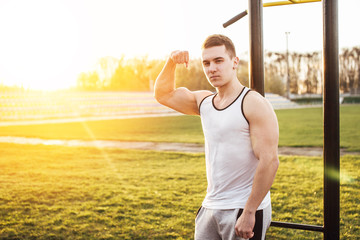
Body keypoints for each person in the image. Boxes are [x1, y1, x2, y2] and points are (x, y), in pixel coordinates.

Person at [154, 34, 279, 240]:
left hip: (242, 207)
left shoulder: (253, 103)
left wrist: (249, 212)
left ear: (234, 62)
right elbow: (163, 94)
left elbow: (270, 161)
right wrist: (170, 62)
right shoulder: (204, 102)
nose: (212, 68)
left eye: (219, 61)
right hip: (210, 206)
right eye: (206, 63)